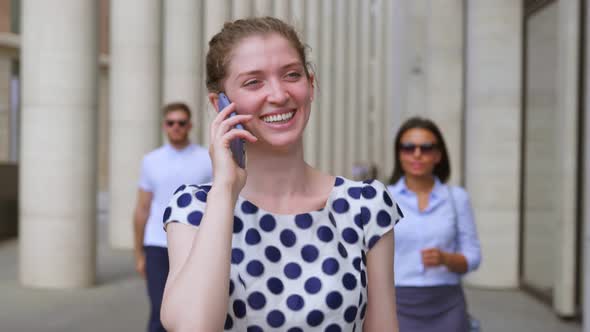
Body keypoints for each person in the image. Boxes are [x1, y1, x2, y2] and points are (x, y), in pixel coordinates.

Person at [160, 17, 401, 331]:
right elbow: (193, 328)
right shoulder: (194, 208)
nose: (278, 94)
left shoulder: (365, 206)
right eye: (253, 82)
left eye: (291, 75)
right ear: (219, 104)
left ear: (310, 85)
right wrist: (224, 189)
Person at [386, 117, 481, 332]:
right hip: (396, 303)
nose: (417, 154)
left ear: (438, 155)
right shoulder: (383, 198)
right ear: (399, 154)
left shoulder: (457, 198)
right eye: (408, 148)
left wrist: (446, 259)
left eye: (426, 148)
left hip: (446, 303)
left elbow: (473, 255)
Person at [133, 102, 213, 332]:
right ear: (164, 126)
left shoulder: (206, 159)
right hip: (157, 245)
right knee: (160, 313)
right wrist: (139, 253)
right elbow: (142, 208)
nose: (176, 127)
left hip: (196, 244)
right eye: (171, 123)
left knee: (192, 312)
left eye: (181, 122)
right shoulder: (150, 160)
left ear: (190, 125)